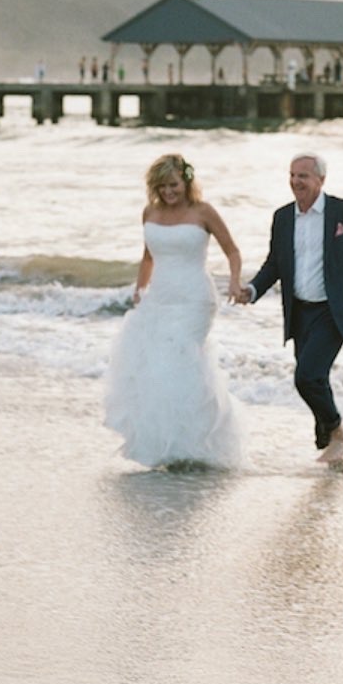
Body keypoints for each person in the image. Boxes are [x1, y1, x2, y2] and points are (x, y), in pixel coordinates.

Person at [238, 153, 343, 463]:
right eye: (292, 175)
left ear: (320, 180)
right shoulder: (283, 217)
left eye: (303, 176)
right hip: (300, 312)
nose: (296, 182)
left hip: (334, 310)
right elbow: (274, 263)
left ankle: (338, 433)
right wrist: (252, 289)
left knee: (306, 377)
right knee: (317, 377)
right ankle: (332, 448)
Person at [103, 154, 244, 468]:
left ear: (187, 182)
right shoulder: (149, 213)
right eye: (162, 186)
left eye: (174, 185)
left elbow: (232, 250)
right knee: (158, 367)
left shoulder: (203, 212)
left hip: (195, 299)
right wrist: (139, 291)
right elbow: (148, 258)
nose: (168, 192)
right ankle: (172, 446)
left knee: (183, 362)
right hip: (160, 297)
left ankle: (198, 446)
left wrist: (234, 282)